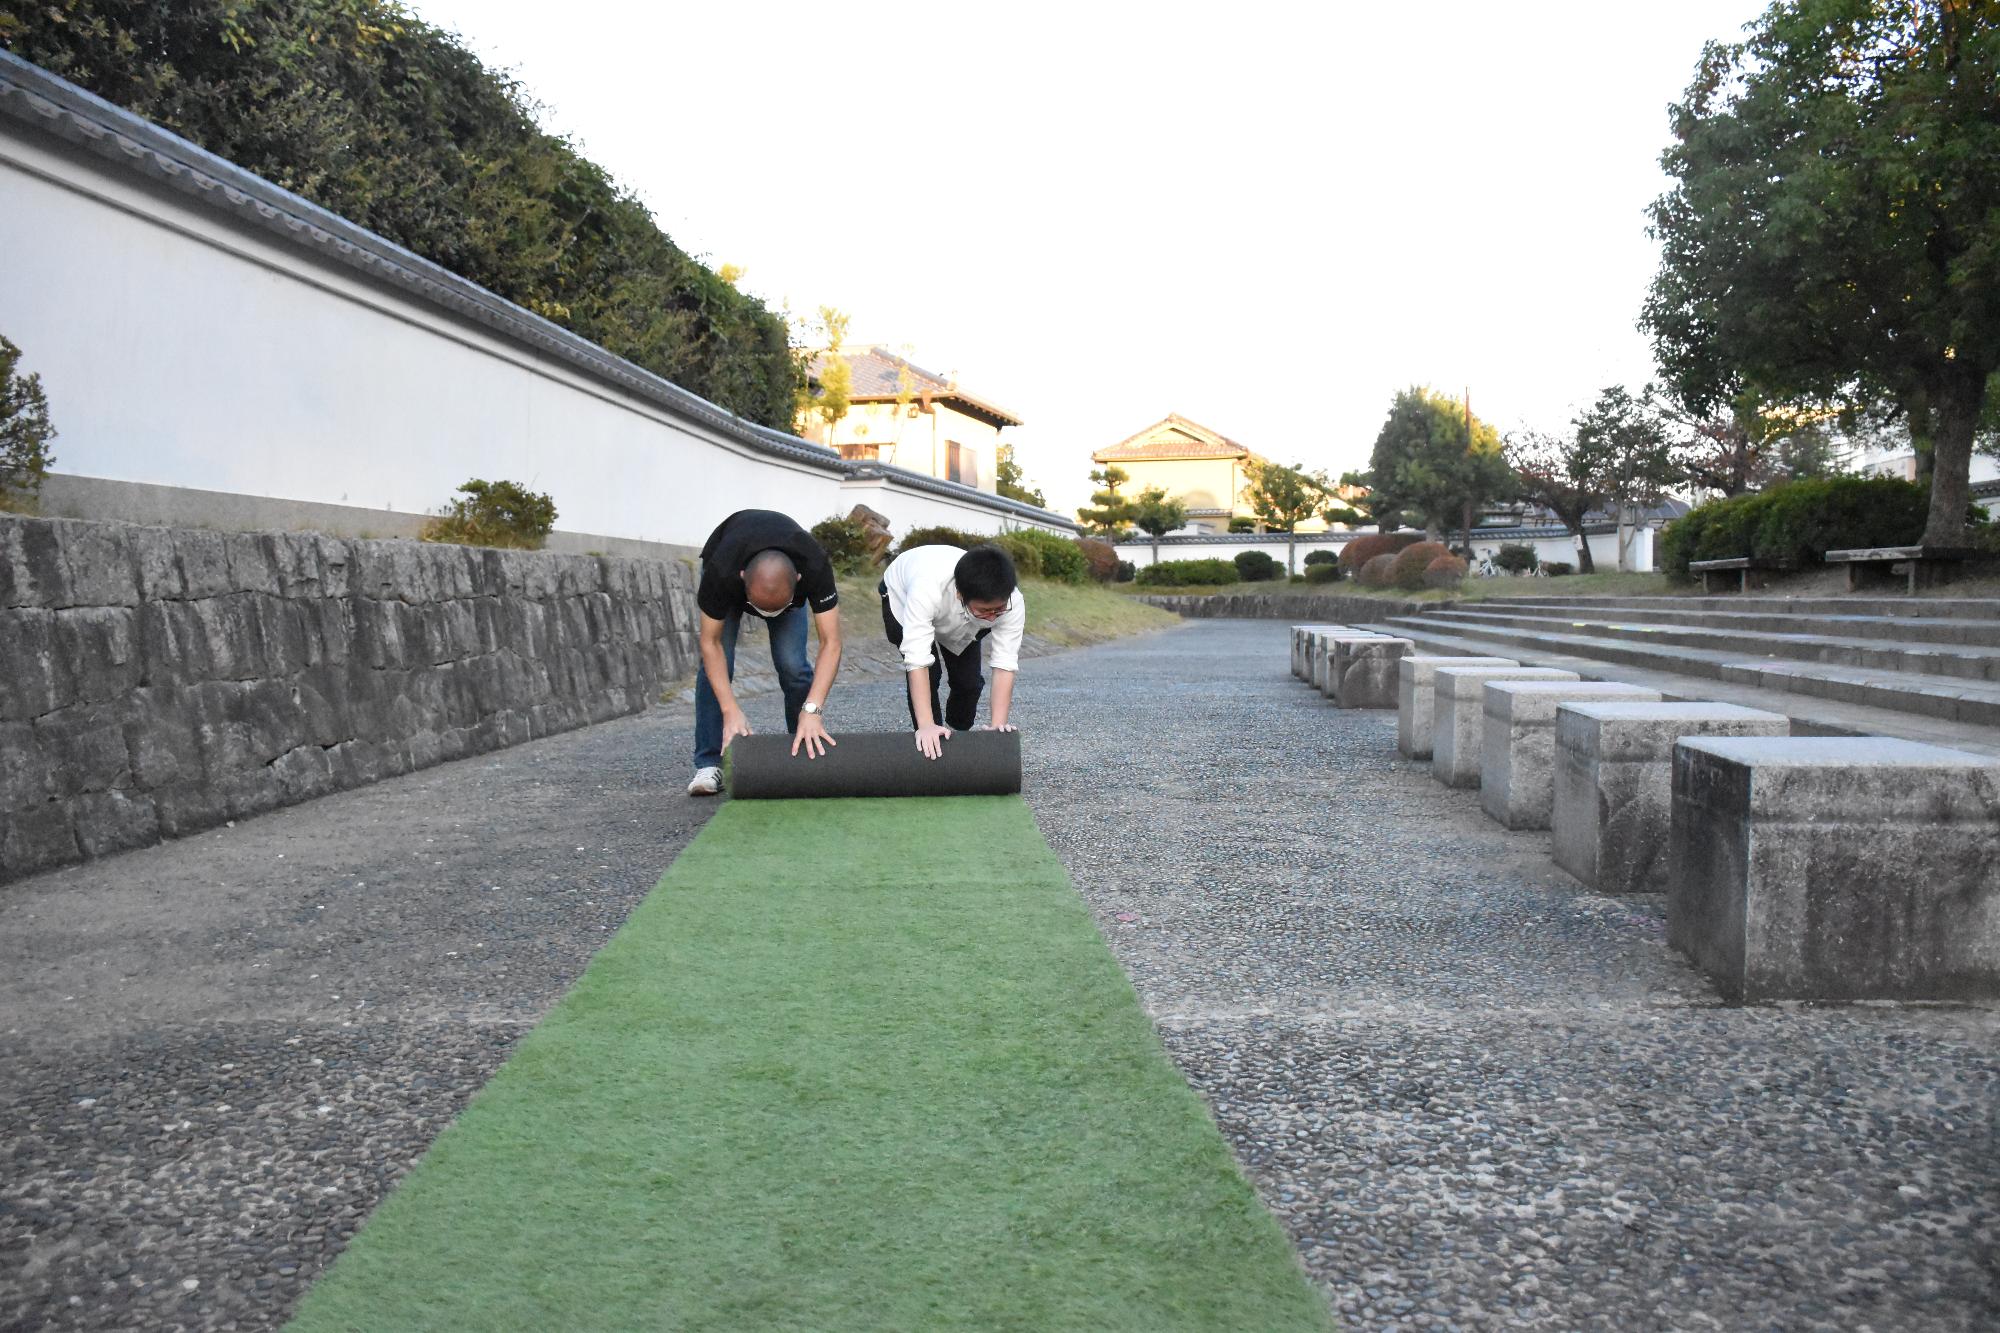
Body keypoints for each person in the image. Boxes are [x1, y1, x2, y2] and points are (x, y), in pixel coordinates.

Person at [688, 509, 843, 796]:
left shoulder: (813, 565)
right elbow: (710, 644)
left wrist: (813, 709)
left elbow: (831, 643)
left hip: (782, 588)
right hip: (733, 573)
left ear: (799, 579)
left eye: (775, 609)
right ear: (742, 577)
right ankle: (709, 763)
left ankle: (801, 746)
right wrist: (730, 710)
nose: (767, 616)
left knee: (793, 665)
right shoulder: (721, 572)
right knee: (720, 666)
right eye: (762, 608)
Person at [879, 542, 1024, 759]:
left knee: (968, 683)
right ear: (959, 595)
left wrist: (998, 727)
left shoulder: (1013, 602)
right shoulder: (926, 589)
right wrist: (927, 726)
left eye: (999, 609)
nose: (994, 617)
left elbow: (1005, 663)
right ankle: (932, 742)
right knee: (931, 674)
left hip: (964, 616)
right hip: (901, 595)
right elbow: (917, 661)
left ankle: (957, 734)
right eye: (986, 610)